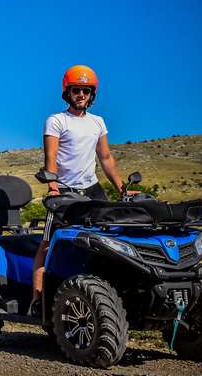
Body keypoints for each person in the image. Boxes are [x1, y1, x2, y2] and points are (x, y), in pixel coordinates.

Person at [29, 65, 134, 316]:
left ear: (92, 94)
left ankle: (112, 295)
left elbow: (106, 157)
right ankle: (36, 299)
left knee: (113, 238)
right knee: (47, 243)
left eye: (86, 91)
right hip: (64, 188)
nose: (81, 95)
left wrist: (122, 190)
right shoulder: (56, 121)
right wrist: (53, 187)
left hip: (92, 188)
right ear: (67, 92)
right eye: (76, 90)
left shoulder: (98, 122)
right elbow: (50, 156)